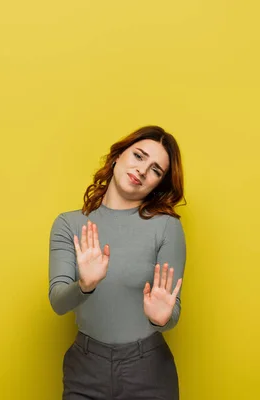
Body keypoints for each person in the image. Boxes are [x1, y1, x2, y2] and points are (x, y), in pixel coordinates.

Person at [48, 125, 187, 399]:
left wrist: (162, 319)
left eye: (156, 170)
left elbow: (172, 312)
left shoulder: (166, 227)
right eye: (139, 156)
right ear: (117, 157)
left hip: (148, 369)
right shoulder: (69, 224)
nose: (143, 170)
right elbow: (58, 302)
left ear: (158, 183)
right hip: (85, 368)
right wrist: (84, 285)